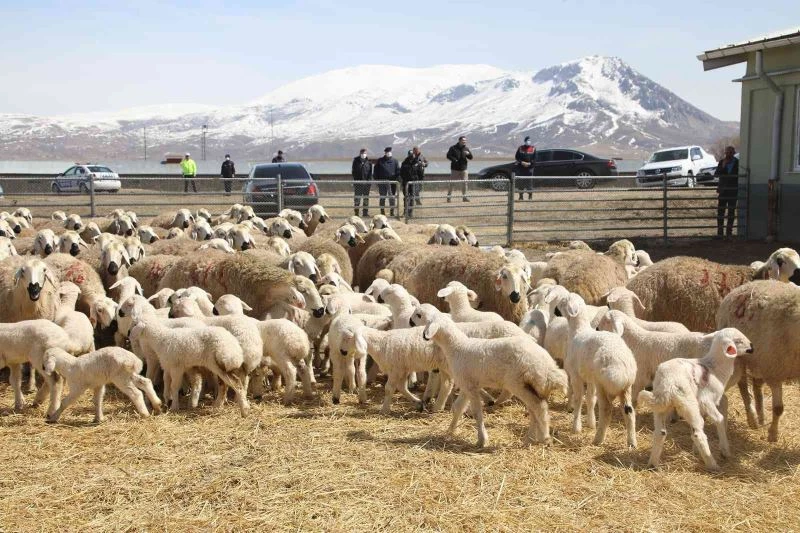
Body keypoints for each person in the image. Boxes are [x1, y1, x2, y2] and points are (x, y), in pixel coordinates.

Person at [715, 145, 739, 238]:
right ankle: (720, 233)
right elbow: (716, 174)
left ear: (733, 153)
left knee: (731, 212)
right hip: (723, 191)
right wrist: (723, 166)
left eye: (730, 152)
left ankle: (729, 233)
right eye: (726, 152)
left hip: (733, 190)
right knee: (721, 211)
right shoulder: (722, 162)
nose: (728, 154)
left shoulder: (737, 163)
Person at [373, 147, 399, 216]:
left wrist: (397, 179)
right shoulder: (380, 161)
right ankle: (382, 211)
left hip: (392, 183)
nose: (388, 153)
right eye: (387, 152)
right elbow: (375, 171)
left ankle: (392, 211)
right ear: (385, 152)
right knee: (382, 197)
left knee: (392, 197)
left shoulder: (395, 161)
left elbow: (398, 171)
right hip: (382, 182)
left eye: (390, 151)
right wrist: (377, 180)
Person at [402, 146, 428, 217]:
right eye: (410, 155)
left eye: (412, 154)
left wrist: (418, 180)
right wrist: (404, 181)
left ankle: (410, 212)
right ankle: (405, 211)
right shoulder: (404, 163)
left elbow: (420, 173)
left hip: (414, 183)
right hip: (406, 183)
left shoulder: (417, 162)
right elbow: (401, 173)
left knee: (412, 197)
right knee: (406, 197)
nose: (411, 156)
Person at [446, 136, 473, 202]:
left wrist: (468, 154)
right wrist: (454, 160)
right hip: (455, 169)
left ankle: (464, 197)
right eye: (463, 140)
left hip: (464, 169)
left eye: (465, 141)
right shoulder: (453, 148)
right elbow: (448, 156)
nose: (464, 142)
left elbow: (471, 157)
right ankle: (449, 197)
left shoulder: (466, 148)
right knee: (452, 183)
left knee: (465, 183)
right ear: (459, 141)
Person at [351, 148, 373, 216]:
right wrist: (356, 181)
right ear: (360, 154)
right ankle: (356, 213)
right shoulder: (356, 161)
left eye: (365, 153)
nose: (364, 154)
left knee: (366, 198)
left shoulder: (369, 162)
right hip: (358, 184)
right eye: (362, 153)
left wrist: (369, 181)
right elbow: (353, 172)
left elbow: (370, 173)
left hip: (366, 184)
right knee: (357, 198)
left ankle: (365, 213)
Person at [515, 136, 535, 200]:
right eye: (527, 140)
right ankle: (521, 196)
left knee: (529, 183)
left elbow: (535, 158)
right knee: (521, 183)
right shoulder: (520, 148)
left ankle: (530, 196)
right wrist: (522, 162)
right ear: (525, 141)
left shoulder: (533, 148)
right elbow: (517, 157)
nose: (528, 141)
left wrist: (530, 163)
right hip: (521, 168)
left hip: (529, 169)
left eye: (529, 140)